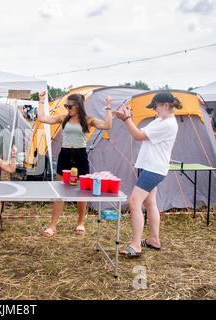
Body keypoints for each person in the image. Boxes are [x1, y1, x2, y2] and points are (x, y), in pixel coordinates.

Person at [113, 92, 182, 258]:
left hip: (153, 169)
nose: (155, 110)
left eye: (156, 107)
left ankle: (136, 245)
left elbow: (138, 136)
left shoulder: (168, 124)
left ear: (165, 105)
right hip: (150, 167)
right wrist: (128, 119)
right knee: (150, 203)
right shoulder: (160, 121)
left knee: (134, 202)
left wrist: (126, 119)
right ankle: (153, 239)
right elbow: (139, 131)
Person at [36, 91, 113, 237]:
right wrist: (41, 101)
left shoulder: (88, 120)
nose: (67, 108)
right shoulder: (63, 118)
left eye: (69, 106)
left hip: (80, 155)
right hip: (65, 155)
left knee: (82, 192)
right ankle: (52, 225)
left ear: (78, 105)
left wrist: (108, 107)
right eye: (66, 106)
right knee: (60, 192)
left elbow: (107, 125)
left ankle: (80, 222)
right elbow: (42, 118)